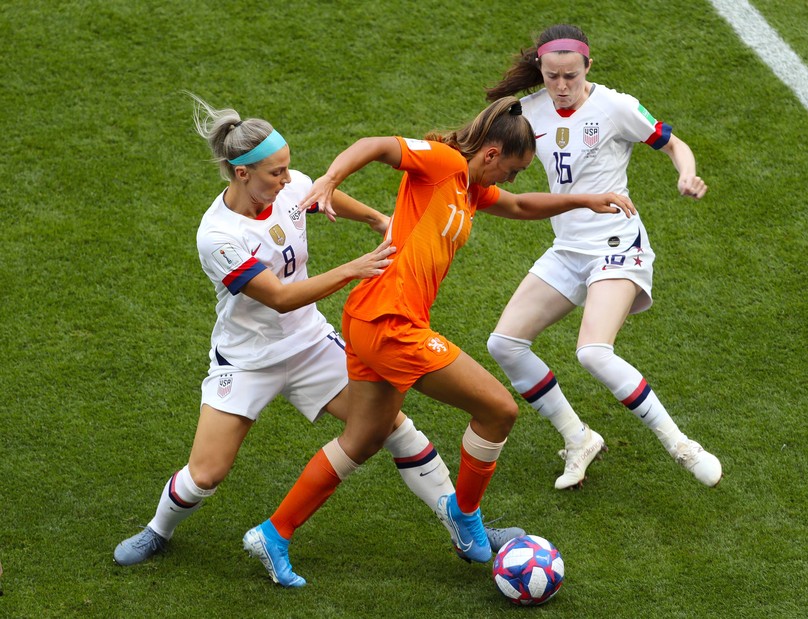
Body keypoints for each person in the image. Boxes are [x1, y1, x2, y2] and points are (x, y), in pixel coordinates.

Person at [113, 94, 524, 568]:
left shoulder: (286, 187)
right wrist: (354, 269)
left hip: (309, 344)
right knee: (207, 473)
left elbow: (317, 193)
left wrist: (373, 217)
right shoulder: (218, 236)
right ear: (241, 173)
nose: (288, 180)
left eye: (288, 169)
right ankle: (156, 531)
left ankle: (463, 521)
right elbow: (282, 297)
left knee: (388, 427)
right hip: (248, 358)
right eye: (276, 173)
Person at [242, 96, 637, 587]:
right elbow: (376, 145)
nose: (511, 180)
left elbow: (518, 205)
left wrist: (586, 199)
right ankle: (464, 516)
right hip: (390, 323)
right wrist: (330, 179)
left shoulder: (471, 188)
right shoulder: (444, 164)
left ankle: (272, 533)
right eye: (512, 169)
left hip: (371, 319)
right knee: (498, 410)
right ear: (491, 153)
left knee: (362, 438)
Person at [483, 25, 722, 490]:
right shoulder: (528, 113)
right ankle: (578, 438)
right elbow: (486, 152)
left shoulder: (616, 106)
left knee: (593, 352)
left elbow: (673, 143)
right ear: (541, 71)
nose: (562, 85)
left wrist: (687, 175)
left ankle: (681, 445)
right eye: (552, 76)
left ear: (588, 67)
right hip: (568, 248)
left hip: (617, 246)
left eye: (571, 75)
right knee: (504, 344)